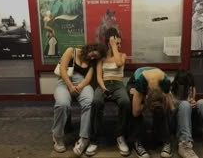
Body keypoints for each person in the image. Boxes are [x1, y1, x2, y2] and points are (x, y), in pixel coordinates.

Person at [51, 43, 107, 156]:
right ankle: (57, 137)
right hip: (65, 80)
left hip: (82, 83)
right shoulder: (71, 50)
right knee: (62, 104)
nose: (92, 58)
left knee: (89, 103)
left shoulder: (92, 61)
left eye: (95, 57)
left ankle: (84, 138)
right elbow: (62, 69)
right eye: (93, 54)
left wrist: (78, 87)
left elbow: (88, 78)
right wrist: (70, 86)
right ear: (91, 48)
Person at [85, 27, 131, 156]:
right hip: (104, 83)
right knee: (96, 102)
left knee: (125, 102)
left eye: (118, 42)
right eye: (114, 42)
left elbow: (118, 64)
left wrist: (114, 46)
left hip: (117, 84)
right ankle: (94, 139)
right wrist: (103, 88)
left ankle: (120, 136)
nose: (118, 44)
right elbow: (99, 76)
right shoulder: (102, 58)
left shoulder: (122, 55)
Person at [127, 67, 175, 158]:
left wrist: (171, 112)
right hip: (137, 79)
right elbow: (135, 112)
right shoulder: (140, 83)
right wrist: (145, 104)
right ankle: (137, 142)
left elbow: (169, 104)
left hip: (156, 79)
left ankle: (166, 140)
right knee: (133, 104)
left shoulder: (165, 82)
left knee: (162, 109)